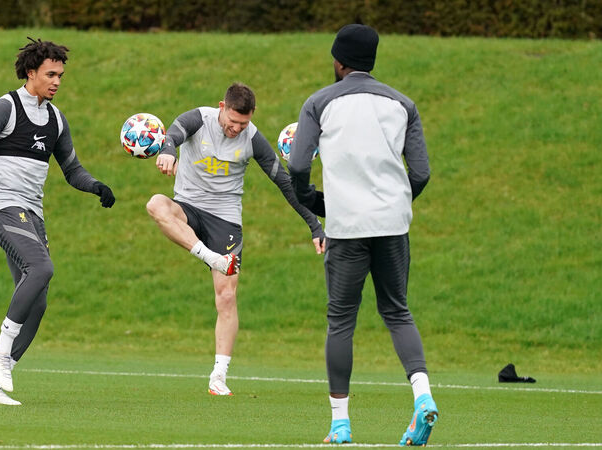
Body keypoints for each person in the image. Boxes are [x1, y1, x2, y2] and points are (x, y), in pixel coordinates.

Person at [287, 24, 437, 445]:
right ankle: (423, 396)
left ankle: (340, 424)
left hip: (347, 227)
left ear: (338, 61)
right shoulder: (403, 104)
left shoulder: (318, 103)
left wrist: (313, 201)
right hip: (392, 224)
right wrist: (397, 201)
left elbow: (297, 166)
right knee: (397, 312)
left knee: (341, 321)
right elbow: (421, 172)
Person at [0, 38, 115, 406]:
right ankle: (0, 351)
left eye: (60, 75)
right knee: (42, 268)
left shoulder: (56, 119)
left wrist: (96, 186)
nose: (57, 81)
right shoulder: (5, 108)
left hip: (32, 214)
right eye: (50, 74)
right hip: (1, 207)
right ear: (31, 73)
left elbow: (72, 170)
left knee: (37, 303)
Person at [146, 82, 325, 396]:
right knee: (156, 205)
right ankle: (210, 257)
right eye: (232, 121)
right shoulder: (198, 119)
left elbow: (285, 183)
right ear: (222, 107)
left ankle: (219, 375)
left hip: (225, 220)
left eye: (243, 122)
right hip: (188, 207)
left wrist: (314, 225)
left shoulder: (252, 138)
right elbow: (173, 134)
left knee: (226, 297)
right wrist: (167, 152)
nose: (236, 128)